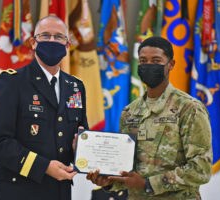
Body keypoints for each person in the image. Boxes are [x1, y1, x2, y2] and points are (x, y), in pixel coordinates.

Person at [87, 36, 212, 200]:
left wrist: (149, 184)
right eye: (143, 61)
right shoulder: (129, 112)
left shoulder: (189, 109)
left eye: (156, 60)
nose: (149, 65)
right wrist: (109, 181)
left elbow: (201, 169)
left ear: (171, 65)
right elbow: (127, 168)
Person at [0, 15, 88, 200]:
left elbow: (78, 135)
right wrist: (44, 167)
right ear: (33, 42)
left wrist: (78, 146)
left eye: (58, 37)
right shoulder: (12, 82)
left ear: (67, 45)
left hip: (60, 192)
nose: (52, 41)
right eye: (45, 36)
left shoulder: (76, 86)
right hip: (19, 191)